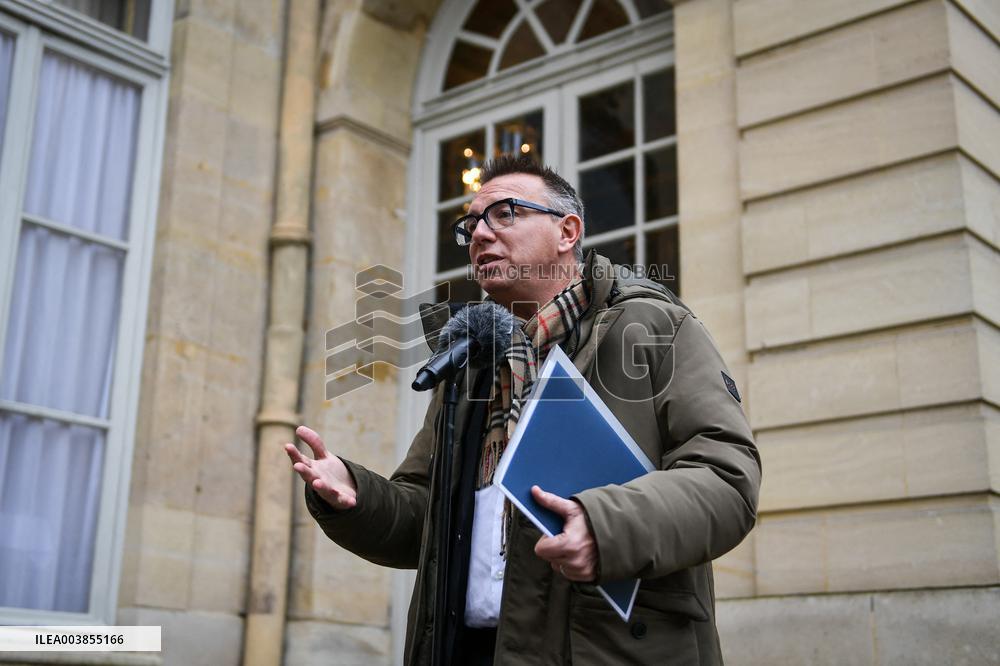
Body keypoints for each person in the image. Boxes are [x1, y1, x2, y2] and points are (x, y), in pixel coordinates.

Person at [285, 155, 761, 665]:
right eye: (469, 225)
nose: (479, 235)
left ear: (567, 231)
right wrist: (354, 495)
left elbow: (726, 480)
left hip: (606, 651)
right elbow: (426, 517)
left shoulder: (655, 328)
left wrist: (605, 527)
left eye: (505, 213)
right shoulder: (473, 360)